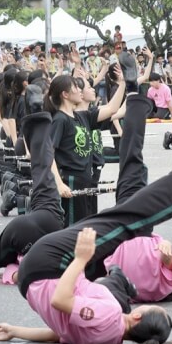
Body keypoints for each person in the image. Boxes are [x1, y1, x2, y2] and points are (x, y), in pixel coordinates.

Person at [0, 92, 172, 344]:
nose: (139, 303)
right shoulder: (108, 337)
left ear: (137, 316)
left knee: (120, 222)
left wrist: (81, 258)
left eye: (146, 307)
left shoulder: (109, 315)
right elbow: (59, 334)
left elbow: (60, 300)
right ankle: (35, 125)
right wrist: (16, 331)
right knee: (51, 196)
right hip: (34, 277)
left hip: (48, 267)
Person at [0, 111, 65, 285]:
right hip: (37, 226)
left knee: (43, 173)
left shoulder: (17, 265)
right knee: (42, 172)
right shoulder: (18, 264)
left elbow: (20, 274)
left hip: (44, 223)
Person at [46, 56, 127, 227]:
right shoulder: (60, 120)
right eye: (76, 87)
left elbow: (112, 109)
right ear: (65, 94)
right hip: (71, 180)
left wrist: (122, 84)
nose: (80, 90)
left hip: (86, 178)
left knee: (87, 226)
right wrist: (59, 184)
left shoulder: (81, 116)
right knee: (75, 229)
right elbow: (48, 155)